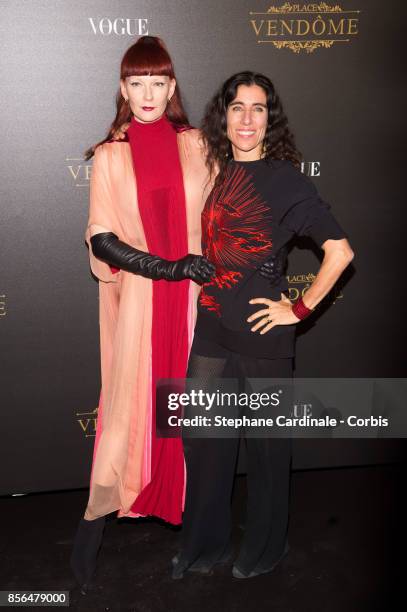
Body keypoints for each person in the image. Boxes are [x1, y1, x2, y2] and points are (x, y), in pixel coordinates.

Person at [171, 71, 354, 579]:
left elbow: (340, 252)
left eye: (257, 108)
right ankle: (204, 545)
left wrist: (297, 309)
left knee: (268, 452)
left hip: (263, 338)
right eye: (237, 107)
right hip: (211, 330)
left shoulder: (286, 180)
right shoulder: (216, 171)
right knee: (206, 443)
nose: (246, 118)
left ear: (268, 119)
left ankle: (268, 547)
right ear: (223, 116)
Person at [69, 35, 217, 593]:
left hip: (197, 305)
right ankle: (90, 533)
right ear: (123, 89)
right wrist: (170, 268)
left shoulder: (198, 144)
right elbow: (101, 238)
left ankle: (197, 531)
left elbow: (221, 217)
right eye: (137, 83)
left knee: (193, 419)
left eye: (159, 82)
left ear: (172, 87)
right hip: (140, 303)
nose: (148, 93)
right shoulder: (110, 154)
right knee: (126, 416)